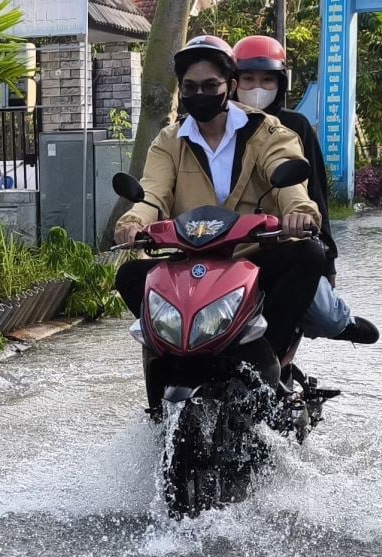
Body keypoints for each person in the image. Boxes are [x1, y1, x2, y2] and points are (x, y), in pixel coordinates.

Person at [113, 35, 326, 378]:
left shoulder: (267, 131)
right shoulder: (169, 140)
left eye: (210, 85)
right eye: (190, 87)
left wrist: (299, 212)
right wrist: (134, 219)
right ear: (181, 90)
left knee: (308, 256)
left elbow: (286, 175)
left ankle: (265, 357)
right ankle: (166, 357)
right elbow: (153, 191)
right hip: (192, 260)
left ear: (230, 85)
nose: (200, 94)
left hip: (254, 253)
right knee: (130, 276)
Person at [232, 34, 378, 350]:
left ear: (280, 84)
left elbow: (314, 194)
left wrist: (328, 262)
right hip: (227, 246)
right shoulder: (218, 126)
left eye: (267, 80)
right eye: (248, 78)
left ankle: (335, 325)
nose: (257, 87)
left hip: (284, 242)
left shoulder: (294, 126)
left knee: (325, 316)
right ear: (233, 82)